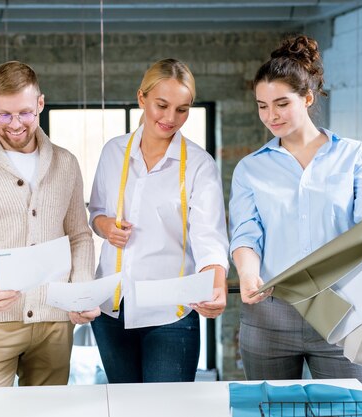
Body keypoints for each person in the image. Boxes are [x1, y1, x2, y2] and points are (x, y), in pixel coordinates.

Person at [229, 35, 362, 392]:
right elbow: (246, 235)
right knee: (272, 412)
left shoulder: (358, 157)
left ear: (307, 98)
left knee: (354, 410)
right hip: (270, 312)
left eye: (281, 103)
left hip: (341, 310)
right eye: (262, 106)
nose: (271, 116)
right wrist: (247, 275)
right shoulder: (250, 169)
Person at [0, 61, 98, 388]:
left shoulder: (66, 162)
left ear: (40, 103)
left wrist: (81, 291)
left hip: (54, 321)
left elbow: (80, 236)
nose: (15, 124)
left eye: (25, 113)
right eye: (4, 115)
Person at [88, 58, 230, 383]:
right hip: (112, 311)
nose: (170, 118)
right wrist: (106, 226)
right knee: (123, 407)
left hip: (171, 315)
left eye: (182, 109)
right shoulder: (113, 152)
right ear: (142, 98)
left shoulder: (199, 165)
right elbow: (96, 213)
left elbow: (210, 239)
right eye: (161, 105)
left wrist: (217, 283)